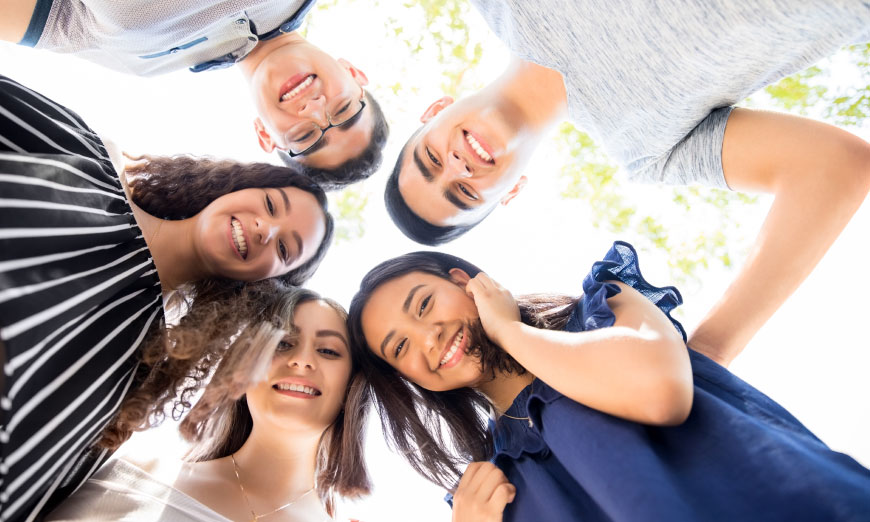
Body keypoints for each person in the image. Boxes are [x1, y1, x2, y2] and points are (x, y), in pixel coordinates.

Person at [385, 1, 870, 366]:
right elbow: (835, 168)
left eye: (430, 158)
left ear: (432, 112)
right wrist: (705, 354)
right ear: (512, 192)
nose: (457, 167)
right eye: (464, 193)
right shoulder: (648, 150)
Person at [0, 75, 334, 521]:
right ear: (239, 184)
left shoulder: (132, 374)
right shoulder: (88, 158)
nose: (265, 229)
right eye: (272, 205)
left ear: (262, 285)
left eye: (284, 249)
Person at [346, 243, 870, 521]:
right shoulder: (485, 492)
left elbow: (660, 393)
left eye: (424, 305)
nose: (428, 338)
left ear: (465, 283)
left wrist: (505, 327)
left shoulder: (602, 310)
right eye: (400, 349)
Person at [47, 283, 370, 521]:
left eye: (328, 350)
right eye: (283, 342)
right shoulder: (131, 472)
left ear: (351, 388)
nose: (301, 360)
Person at [1, 0, 389, 187]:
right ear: (355, 72)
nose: (315, 109)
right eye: (344, 110)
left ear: (265, 136)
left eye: (305, 135)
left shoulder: (141, 62)